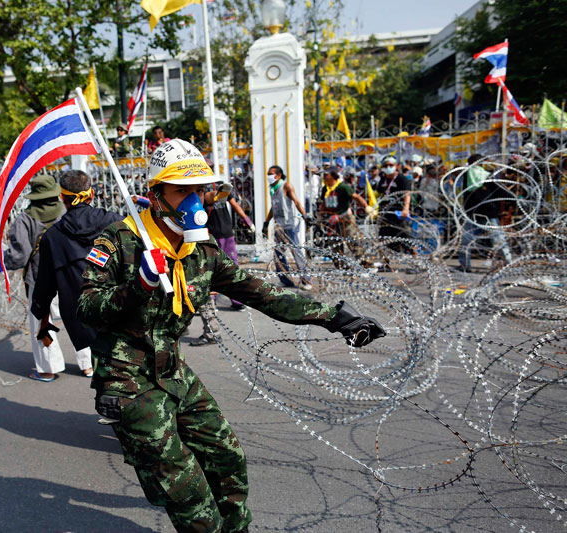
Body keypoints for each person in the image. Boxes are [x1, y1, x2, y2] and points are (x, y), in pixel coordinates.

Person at [77, 138, 385, 533]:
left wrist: (335, 316)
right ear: (156, 195)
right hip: (129, 380)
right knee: (186, 491)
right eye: (181, 191)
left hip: (171, 371)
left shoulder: (201, 252)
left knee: (227, 459)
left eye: (199, 190)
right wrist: (137, 284)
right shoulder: (120, 242)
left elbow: (263, 294)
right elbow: (86, 308)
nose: (195, 201)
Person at [30, 170, 123, 380]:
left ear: (62, 198)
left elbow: (45, 285)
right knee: (123, 369)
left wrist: (41, 316)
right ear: (91, 194)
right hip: (118, 306)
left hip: (80, 315)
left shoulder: (52, 237)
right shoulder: (115, 222)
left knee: (105, 373)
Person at [0, 175, 68, 381]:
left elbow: (19, 257)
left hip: (39, 279)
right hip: (67, 275)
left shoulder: (24, 220)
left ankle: (47, 369)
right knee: (77, 319)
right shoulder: (65, 212)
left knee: (42, 323)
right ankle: (87, 366)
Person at [191, 181, 256, 346]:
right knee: (214, 272)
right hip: (211, 234)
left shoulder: (214, 188)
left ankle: (237, 301)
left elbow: (225, 200)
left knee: (228, 269)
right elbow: (210, 197)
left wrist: (246, 219)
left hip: (224, 233)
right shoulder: (199, 191)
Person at [457, 154, 514, 272]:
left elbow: (500, 191)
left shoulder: (484, 177)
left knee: (497, 240)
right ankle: (464, 265)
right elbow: (501, 191)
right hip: (477, 213)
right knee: (468, 241)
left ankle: (509, 264)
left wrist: (513, 200)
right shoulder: (473, 176)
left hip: (484, 213)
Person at [261, 165, 313, 290]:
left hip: (288, 225)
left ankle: (306, 280)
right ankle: (286, 280)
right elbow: (273, 208)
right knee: (278, 254)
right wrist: (266, 222)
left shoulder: (286, 186)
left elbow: (296, 202)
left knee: (296, 252)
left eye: (271, 174)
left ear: (278, 175)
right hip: (278, 227)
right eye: (268, 174)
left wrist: (305, 215)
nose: (269, 176)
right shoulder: (272, 188)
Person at [316, 167, 374, 268]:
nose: (324, 177)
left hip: (345, 218)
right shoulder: (325, 188)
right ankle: (341, 265)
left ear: (333, 176)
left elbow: (356, 197)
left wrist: (366, 207)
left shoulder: (342, 187)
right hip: (332, 220)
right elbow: (324, 202)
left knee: (352, 239)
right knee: (334, 243)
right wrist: (320, 215)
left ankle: (365, 262)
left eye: (326, 175)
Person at [375, 156, 412, 271]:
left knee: (405, 238)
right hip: (386, 214)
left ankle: (416, 263)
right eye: (385, 166)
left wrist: (406, 208)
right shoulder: (383, 179)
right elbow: (379, 194)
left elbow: (407, 194)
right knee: (384, 240)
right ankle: (386, 265)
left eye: (391, 165)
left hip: (399, 214)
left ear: (396, 166)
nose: (388, 168)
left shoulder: (402, 179)